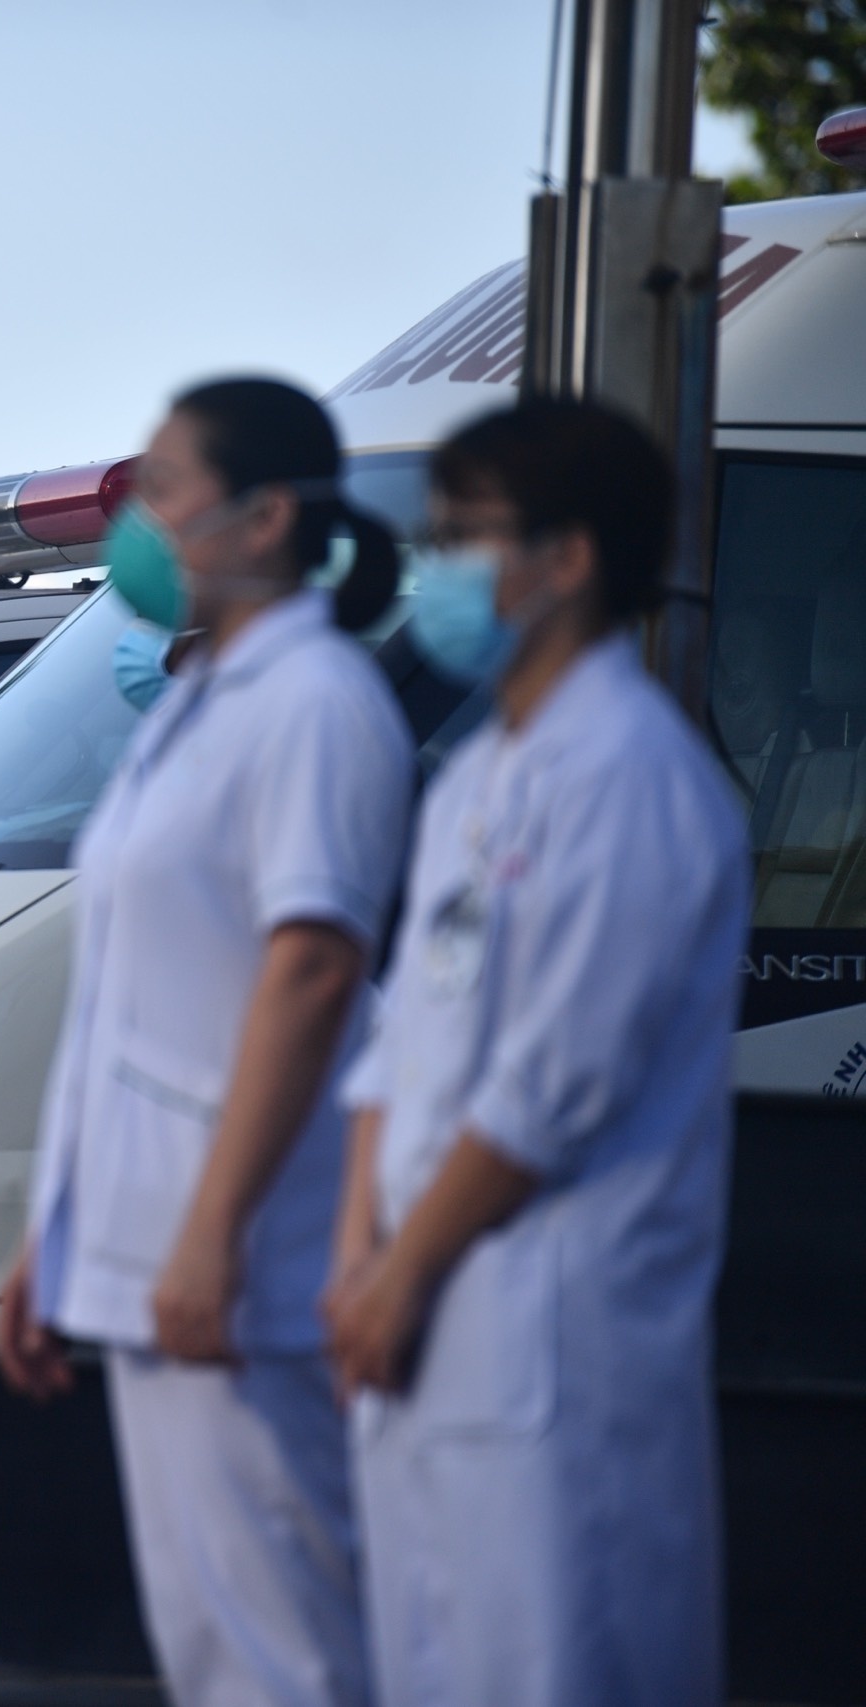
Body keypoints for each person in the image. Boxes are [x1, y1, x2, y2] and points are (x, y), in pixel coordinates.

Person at [0, 378, 413, 1707]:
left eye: (166, 487)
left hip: (238, 1256)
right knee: (210, 1637)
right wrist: (54, 1230)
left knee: (282, 1643)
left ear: (267, 514)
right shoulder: (199, 701)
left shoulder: (319, 701)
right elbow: (132, 996)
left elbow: (313, 964)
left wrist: (210, 1226)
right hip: (143, 1243)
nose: (142, 519)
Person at [323, 399, 747, 1706]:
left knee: (560, 1656)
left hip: (551, 1320)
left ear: (567, 558)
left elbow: (555, 1080)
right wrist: (356, 1255)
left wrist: (404, 1271)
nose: (441, 565)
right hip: (420, 1309)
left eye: (468, 535)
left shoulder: (632, 773)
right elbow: (402, 1044)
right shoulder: (475, 773)